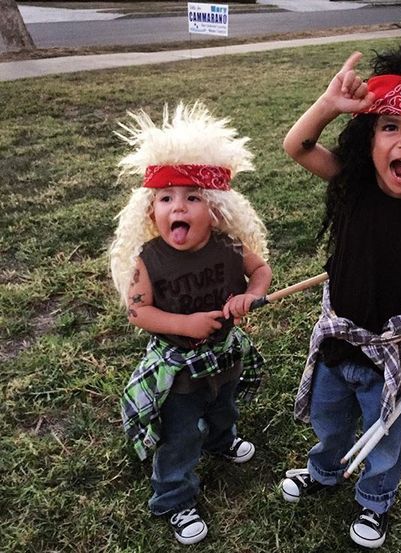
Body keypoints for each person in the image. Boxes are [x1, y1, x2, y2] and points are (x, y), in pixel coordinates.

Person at [280, 21, 401, 549]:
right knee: (328, 419)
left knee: (387, 437)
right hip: (338, 338)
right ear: (369, 139)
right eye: (389, 125)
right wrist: (327, 104)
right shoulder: (352, 186)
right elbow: (297, 145)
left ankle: (374, 501)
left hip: (394, 350)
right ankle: (323, 472)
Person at [109, 102, 272, 545]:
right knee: (180, 434)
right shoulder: (149, 260)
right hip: (178, 369)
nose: (177, 207)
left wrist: (250, 295)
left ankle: (222, 440)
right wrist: (185, 323)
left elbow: (261, 273)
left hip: (222, 357)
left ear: (215, 209)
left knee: (224, 405)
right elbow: (138, 311)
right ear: (150, 212)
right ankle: (174, 498)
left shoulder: (230, 247)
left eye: (192, 197)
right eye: (166, 198)